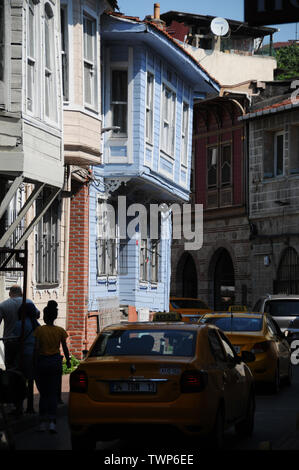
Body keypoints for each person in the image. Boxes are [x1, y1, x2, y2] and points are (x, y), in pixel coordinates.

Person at [34, 301, 71, 433]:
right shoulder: (60, 331)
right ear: (55, 317)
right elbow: (65, 348)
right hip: (55, 362)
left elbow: (36, 349)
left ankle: (42, 422)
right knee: (53, 394)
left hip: (42, 363)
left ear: (44, 316)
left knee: (43, 394)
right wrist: (68, 361)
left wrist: (35, 363)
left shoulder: (39, 330)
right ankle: (52, 422)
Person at [0, 285, 39, 369]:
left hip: (10, 340)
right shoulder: (28, 302)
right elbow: (37, 315)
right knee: (26, 367)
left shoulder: (3, 305)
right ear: (21, 293)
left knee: (10, 367)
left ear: (10, 293)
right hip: (26, 340)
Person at [13, 302, 40, 415]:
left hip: (21, 355)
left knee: (19, 381)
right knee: (31, 380)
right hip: (34, 355)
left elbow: (15, 340)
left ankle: (19, 408)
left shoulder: (19, 324)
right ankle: (30, 407)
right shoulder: (37, 325)